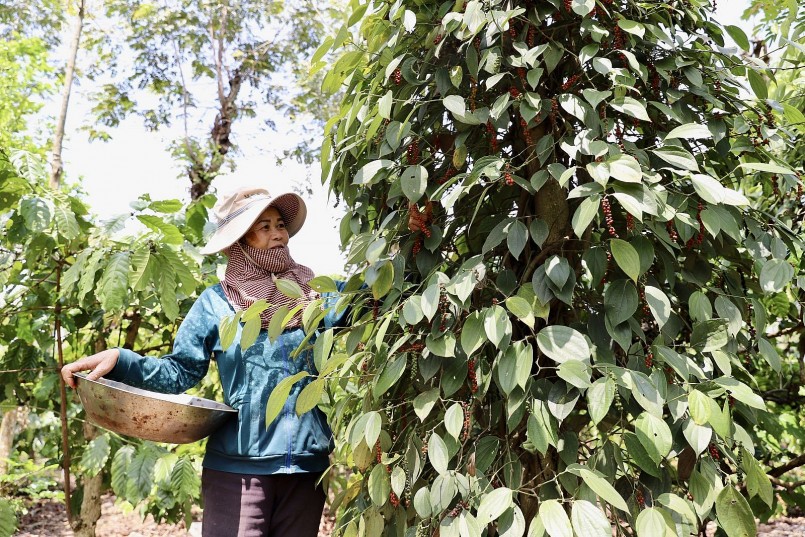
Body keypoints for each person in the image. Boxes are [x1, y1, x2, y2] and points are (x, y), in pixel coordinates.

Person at [62, 186, 348, 537]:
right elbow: (179, 371)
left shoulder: (316, 293)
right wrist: (121, 360)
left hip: (307, 468)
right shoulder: (217, 303)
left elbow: (373, 297)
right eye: (264, 226)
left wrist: (411, 244)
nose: (278, 234)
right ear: (240, 241)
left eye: (280, 225)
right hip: (239, 469)